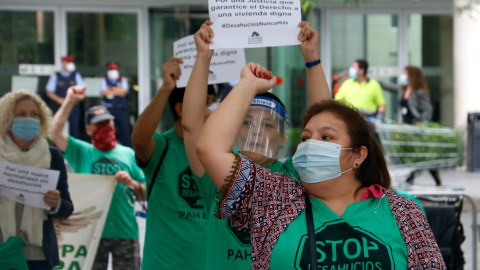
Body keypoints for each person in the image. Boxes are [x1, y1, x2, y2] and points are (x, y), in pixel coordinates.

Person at [196, 63, 446, 269]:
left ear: (358, 154)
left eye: (326, 138)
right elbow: (210, 149)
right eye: (305, 138)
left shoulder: (404, 212)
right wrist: (248, 84)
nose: (311, 145)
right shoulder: (274, 199)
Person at [182, 20, 331, 269]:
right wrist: (203, 57)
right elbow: (192, 124)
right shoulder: (217, 172)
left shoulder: (295, 176)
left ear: (284, 136)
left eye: (268, 125)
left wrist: (312, 59)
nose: (256, 131)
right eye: (247, 122)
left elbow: (326, 124)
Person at [49, 86, 145, 270]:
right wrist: (70, 100)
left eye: (107, 123)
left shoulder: (129, 154)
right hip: (91, 232)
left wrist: (131, 183)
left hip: (125, 231)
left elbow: (146, 194)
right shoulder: (81, 151)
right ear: (88, 129)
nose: (105, 128)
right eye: (98, 124)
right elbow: (53, 132)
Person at [131, 57, 210, 270]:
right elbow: (139, 139)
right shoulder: (162, 147)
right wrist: (166, 88)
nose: (211, 112)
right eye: (206, 104)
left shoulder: (219, 154)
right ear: (181, 109)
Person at [0, 90, 73, 269]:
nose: (29, 119)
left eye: (34, 114)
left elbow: (67, 208)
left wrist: (55, 204)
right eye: (22, 114)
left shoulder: (53, 156)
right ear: (8, 119)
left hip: (39, 255)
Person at [399, 66, 441, 186]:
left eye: (405, 74)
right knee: (415, 152)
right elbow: (391, 87)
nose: (403, 76)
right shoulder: (404, 90)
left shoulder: (419, 92)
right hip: (407, 126)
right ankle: (411, 177)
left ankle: (411, 178)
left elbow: (428, 110)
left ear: (412, 76)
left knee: (420, 154)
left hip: (416, 126)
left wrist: (421, 123)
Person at [45, 54, 86, 139]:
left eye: (70, 62)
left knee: (74, 130)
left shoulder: (76, 75)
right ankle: (57, 150)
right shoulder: (56, 75)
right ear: (63, 63)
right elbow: (49, 92)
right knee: (55, 128)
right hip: (59, 106)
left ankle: (72, 150)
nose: (69, 64)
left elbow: (83, 91)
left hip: (73, 106)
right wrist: (60, 100)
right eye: (67, 61)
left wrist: (75, 99)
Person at [100, 61, 132, 148]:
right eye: (111, 69)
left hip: (121, 110)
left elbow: (124, 92)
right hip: (108, 109)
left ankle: (129, 150)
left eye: (114, 69)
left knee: (125, 131)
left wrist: (111, 89)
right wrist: (118, 90)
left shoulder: (122, 79)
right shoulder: (104, 80)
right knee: (107, 130)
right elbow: (104, 92)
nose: (113, 71)